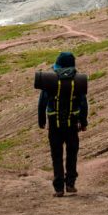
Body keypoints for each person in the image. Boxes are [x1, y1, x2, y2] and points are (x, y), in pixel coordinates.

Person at [38, 51, 88, 197]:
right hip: (72, 124)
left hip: (54, 124)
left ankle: (59, 188)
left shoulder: (50, 80)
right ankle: (71, 184)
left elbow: (42, 103)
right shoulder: (78, 81)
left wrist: (42, 121)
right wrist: (83, 122)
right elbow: (83, 104)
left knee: (57, 155)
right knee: (72, 153)